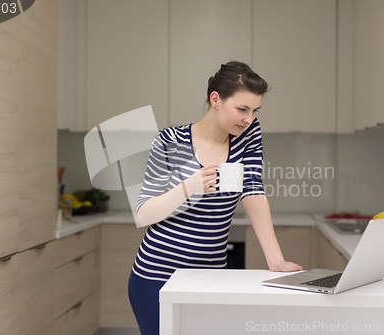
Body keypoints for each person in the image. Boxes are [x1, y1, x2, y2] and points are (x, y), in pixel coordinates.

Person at [128, 61, 303, 335]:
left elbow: (253, 191)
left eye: (255, 110)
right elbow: (143, 214)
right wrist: (189, 187)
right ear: (215, 100)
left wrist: (276, 260)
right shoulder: (169, 140)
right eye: (242, 109)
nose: (249, 118)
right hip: (157, 276)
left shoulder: (247, 135)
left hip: (211, 275)